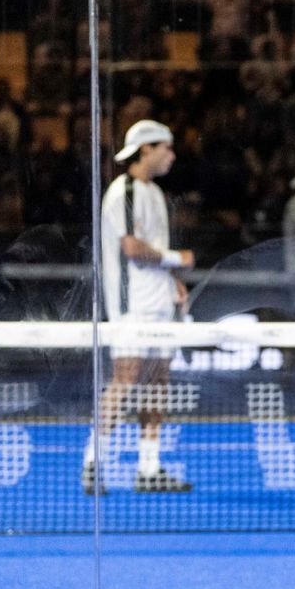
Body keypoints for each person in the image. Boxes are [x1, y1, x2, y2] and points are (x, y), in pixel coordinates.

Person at [82, 119, 195, 494]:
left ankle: (149, 467)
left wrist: (174, 282)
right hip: (133, 309)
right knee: (125, 380)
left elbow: (154, 250)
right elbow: (132, 248)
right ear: (146, 148)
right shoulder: (124, 190)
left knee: (158, 383)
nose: (172, 155)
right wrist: (178, 259)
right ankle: (93, 461)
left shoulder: (156, 194)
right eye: (167, 147)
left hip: (160, 304)